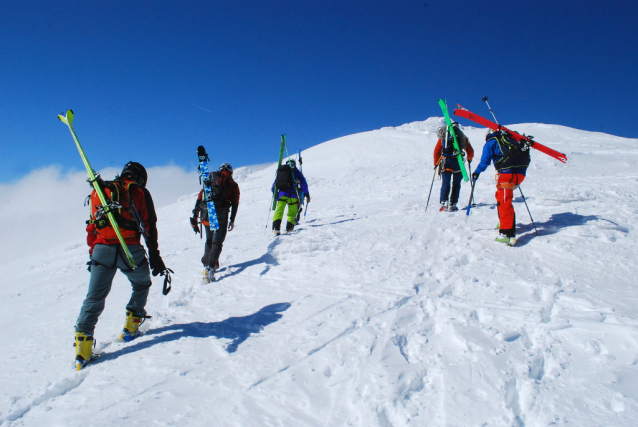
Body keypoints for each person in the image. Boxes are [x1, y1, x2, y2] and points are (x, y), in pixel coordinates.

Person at [74, 162, 168, 370]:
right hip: (129, 249)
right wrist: (154, 256)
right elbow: (149, 226)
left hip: (101, 250)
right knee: (142, 284)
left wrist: (93, 251)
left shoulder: (102, 190)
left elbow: (92, 226)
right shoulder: (139, 192)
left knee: (95, 296)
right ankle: (131, 326)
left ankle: (83, 347)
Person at [472, 129, 531, 246]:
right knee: (501, 197)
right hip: (520, 174)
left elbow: (485, 161)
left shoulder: (492, 142)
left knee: (504, 202)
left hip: (506, 174)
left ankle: (507, 233)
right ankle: (505, 222)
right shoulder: (513, 139)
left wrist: (477, 172)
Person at [191, 162, 240, 282]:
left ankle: (206, 261)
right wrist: (232, 220)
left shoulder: (211, 180)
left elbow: (200, 196)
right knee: (217, 242)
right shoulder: (232, 184)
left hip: (206, 213)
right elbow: (235, 203)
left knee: (209, 240)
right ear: (231, 172)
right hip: (221, 214)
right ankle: (210, 268)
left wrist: (195, 215)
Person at [434, 122, 474, 211]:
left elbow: (437, 151)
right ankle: (453, 203)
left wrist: (436, 164)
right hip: (458, 162)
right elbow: (470, 151)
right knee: (456, 184)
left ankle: (443, 202)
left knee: (446, 183)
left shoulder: (443, 137)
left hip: (446, 162)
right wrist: (469, 159)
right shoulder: (463, 138)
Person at [272, 159, 310, 235]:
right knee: (292, 213)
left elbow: (274, 186)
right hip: (293, 195)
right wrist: (307, 194)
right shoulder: (296, 171)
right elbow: (303, 183)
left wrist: (276, 195)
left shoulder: (281, 171)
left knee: (279, 210)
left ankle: (276, 229)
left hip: (282, 194)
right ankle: (289, 228)